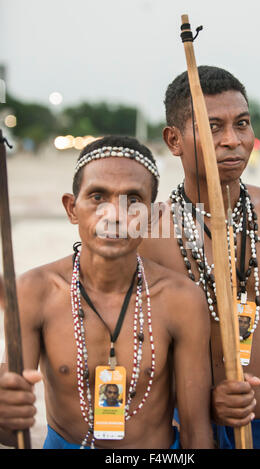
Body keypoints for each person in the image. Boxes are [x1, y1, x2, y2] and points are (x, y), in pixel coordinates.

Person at [0, 135, 213, 449]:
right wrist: (5, 413)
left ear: (152, 217)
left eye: (132, 200)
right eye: (98, 196)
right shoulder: (35, 291)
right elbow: (10, 433)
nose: (114, 214)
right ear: (72, 208)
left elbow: (197, 431)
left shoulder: (180, 299)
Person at [139, 66, 260, 449]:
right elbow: (139, 358)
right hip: (195, 433)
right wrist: (199, 401)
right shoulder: (148, 230)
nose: (232, 140)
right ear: (174, 140)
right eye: (213, 127)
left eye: (242, 124)